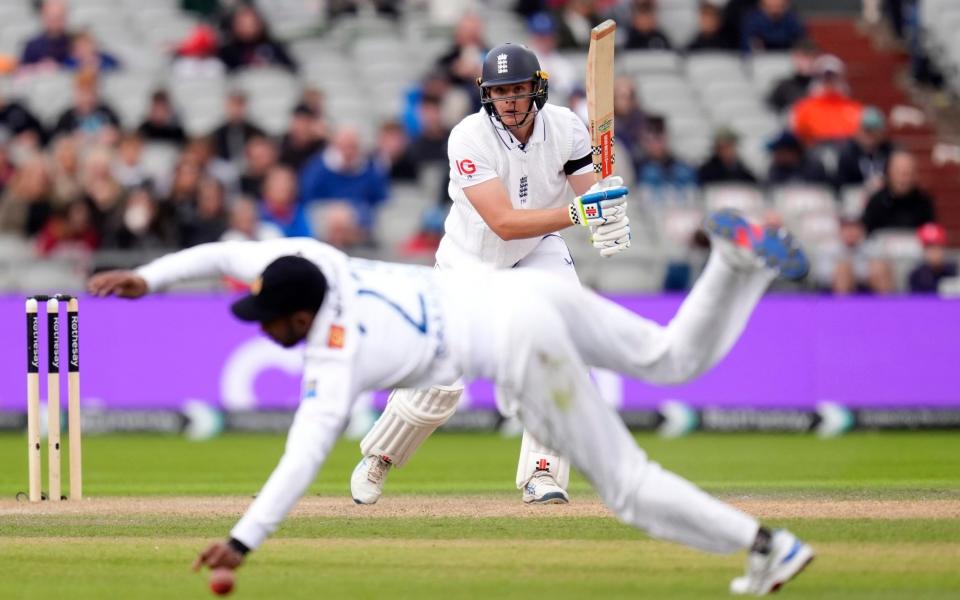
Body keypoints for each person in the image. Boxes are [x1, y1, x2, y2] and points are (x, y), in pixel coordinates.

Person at [87, 209, 814, 597]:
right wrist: (150, 278)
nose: (264, 329)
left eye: (269, 322)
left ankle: (767, 547)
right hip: (531, 289)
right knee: (670, 358)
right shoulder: (312, 260)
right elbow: (222, 255)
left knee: (625, 486)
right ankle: (734, 262)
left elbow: (303, 455)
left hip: (517, 341)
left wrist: (245, 539)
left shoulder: (336, 359)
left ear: (300, 320)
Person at [350, 43, 632, 508]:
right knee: (442, 384)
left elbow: (590, 195)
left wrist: (608, 209)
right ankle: (380, 456)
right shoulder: (467, 137)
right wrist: (583, 213)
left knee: (562, 350)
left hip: (537, 251)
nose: (511, 101)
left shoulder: (566, 127)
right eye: (501, 92)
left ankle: (542, 473)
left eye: (519, 90)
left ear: (537, 89)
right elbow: (503, 221)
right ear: (486, 94)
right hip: (471, 260)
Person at [861, 150, 936, 236]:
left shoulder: (924, 202)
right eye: (898, 173)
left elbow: (931, 235)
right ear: (889, 173)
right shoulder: (876, 202)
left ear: (915, 175)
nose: (903, 179)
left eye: (907, 173)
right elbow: (866, 235)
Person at [908, 222, 956, 293]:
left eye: (937, 247)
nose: (934, 252)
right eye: (929, 248)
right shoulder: (916, 275)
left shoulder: (952, 271)